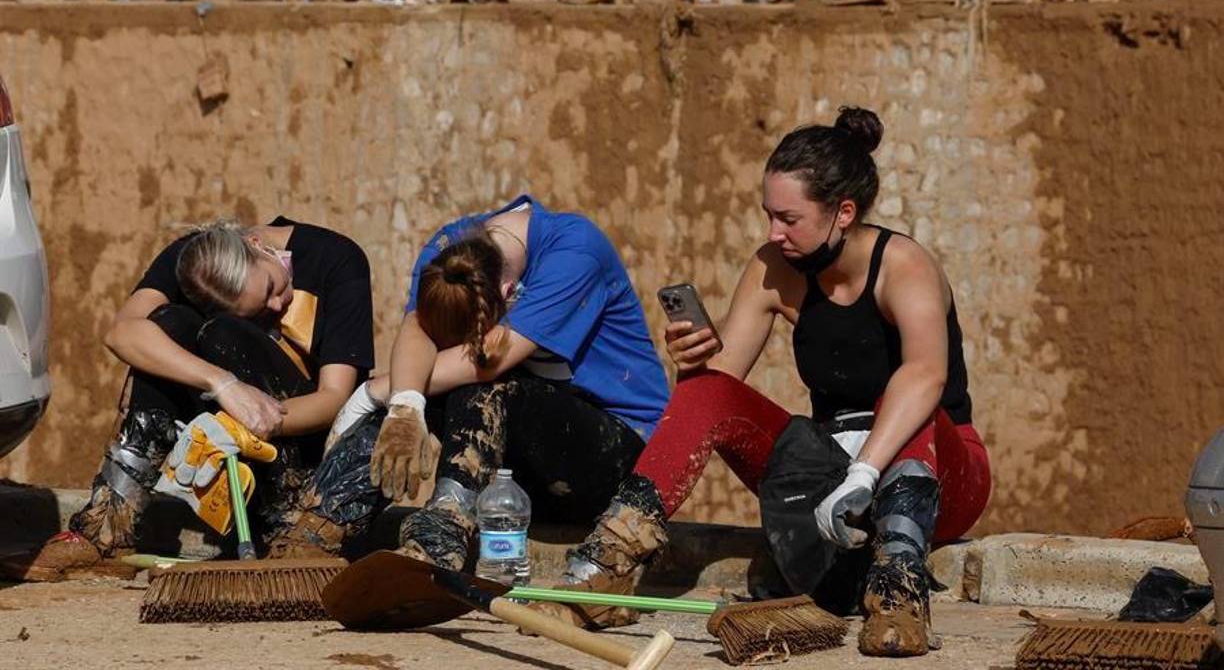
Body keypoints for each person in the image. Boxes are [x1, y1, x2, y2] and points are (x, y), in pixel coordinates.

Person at [535, 108, 992, 658]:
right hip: (832, 472)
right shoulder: (774, 266)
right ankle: (607, 565)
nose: (774, 232)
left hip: (935, 473)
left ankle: (899, 592)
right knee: (704, 391)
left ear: (842, 213)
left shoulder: (904, 265)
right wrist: (694, 362)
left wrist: (866, 470)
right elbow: (719, 393)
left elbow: (926, 374)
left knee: (906, 397)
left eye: (789, 218)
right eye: (768, 215)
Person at [273, 195, 671, 570]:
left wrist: (374, 391)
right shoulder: (448, 254)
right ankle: (320, 527)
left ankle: (439, 540)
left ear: (509, 293)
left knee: (477, 387)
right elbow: (418, 333)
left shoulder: (573, 253)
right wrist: (404, 404)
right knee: (417, 396)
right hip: (513, 476)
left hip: (615, 461)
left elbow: (487, 365)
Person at [2, 217, 374, 580]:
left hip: (296, 444)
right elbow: (123, 332)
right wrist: (221, 383)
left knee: (224, 333)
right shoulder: (194, 258)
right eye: (263, 305)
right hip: (221, 437)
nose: (277, 306)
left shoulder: (336, 259)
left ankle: (286, 523)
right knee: (167, 325)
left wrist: (248, 425)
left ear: (257, 246)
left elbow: (334, 398)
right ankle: (109, 525)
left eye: (273, 287)